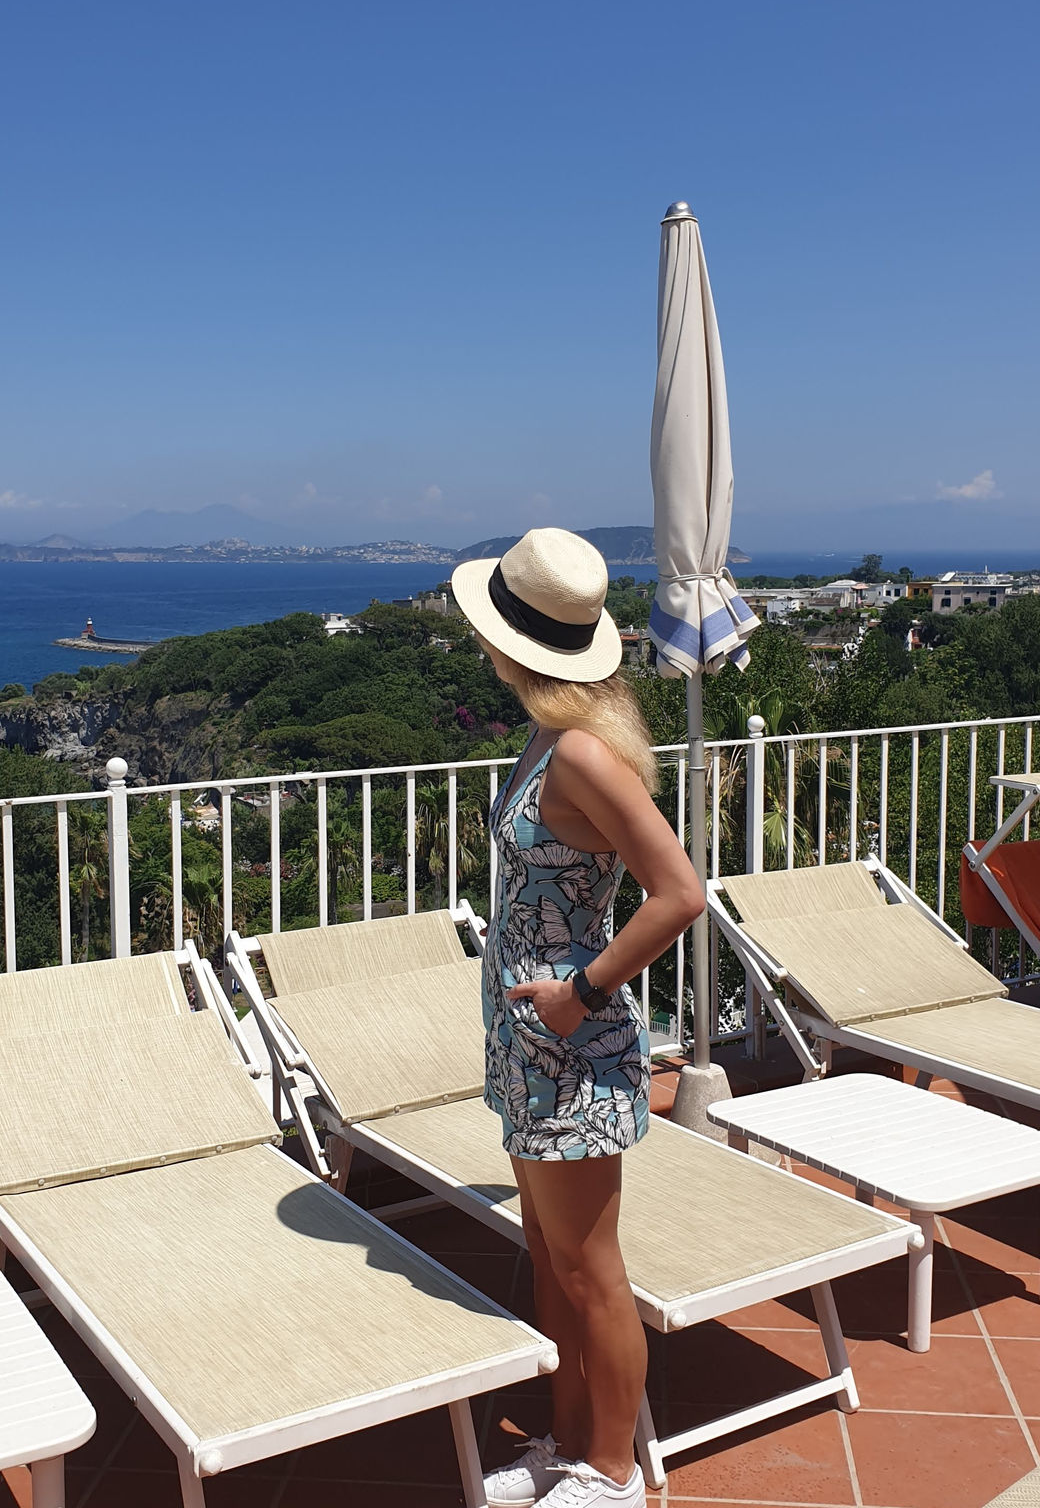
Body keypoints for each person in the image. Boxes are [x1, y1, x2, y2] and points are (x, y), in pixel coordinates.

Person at [450, 528, 704, 1508]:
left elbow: (678, 891)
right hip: (529, 1046)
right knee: (552, 1261)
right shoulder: (548, 734)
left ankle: (614, 1471)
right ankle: (564, 1441)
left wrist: (580, 992)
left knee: (593, 1270)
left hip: (574, 1045)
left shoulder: (587, 755)